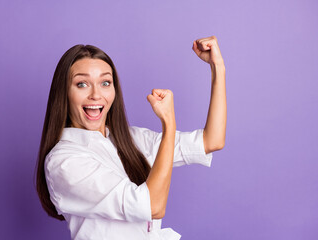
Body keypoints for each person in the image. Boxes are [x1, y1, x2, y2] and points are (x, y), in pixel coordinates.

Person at [35, 36, 226, 240]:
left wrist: (218, 68)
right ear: (64, 92)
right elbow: (152, 206)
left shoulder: (131, 139)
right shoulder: (64, 161)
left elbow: (211, 141)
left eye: (105, 83)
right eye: (82, 84)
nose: (96, 95)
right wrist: (169, 124)